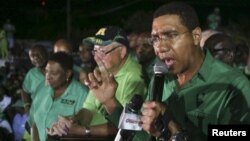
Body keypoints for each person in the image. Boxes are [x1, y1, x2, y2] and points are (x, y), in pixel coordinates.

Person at [69, 2, 250, 141]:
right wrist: (110, 103)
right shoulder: (160, 79)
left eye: (171, 35)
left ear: (196, 36)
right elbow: (144, 136)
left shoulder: (235, 84)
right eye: (155, 39)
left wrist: (174, 129)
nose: (161, 47)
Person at [47, 26, 147, 137]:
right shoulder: (100, 70)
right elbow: (88, 109)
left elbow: (126, 127)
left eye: (103, 51)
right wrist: (71, 122)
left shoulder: (135, 78)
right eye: (95, 51)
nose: (97, 58)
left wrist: (82, 130)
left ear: (122, 51)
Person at [32, 52, 88, 141]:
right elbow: (35, 123)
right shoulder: (42, 90)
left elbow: (82, 126)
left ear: (68, 74)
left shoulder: (81, 93)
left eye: (53, 73)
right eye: (46, 71)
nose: (48, 76)